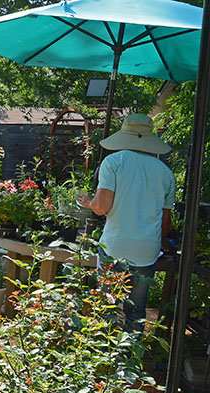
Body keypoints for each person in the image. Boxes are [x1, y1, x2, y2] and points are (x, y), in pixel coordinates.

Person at [78, 113, 176, 334]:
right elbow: (165, 219)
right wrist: (163, 242)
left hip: (115, 246)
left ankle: (102, 360)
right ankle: (130, 358)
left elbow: (102, 207)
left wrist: (90, 203)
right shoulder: (166, 173)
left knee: (105, 306)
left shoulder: (113, 162)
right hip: (146, 251)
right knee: (136, 310)